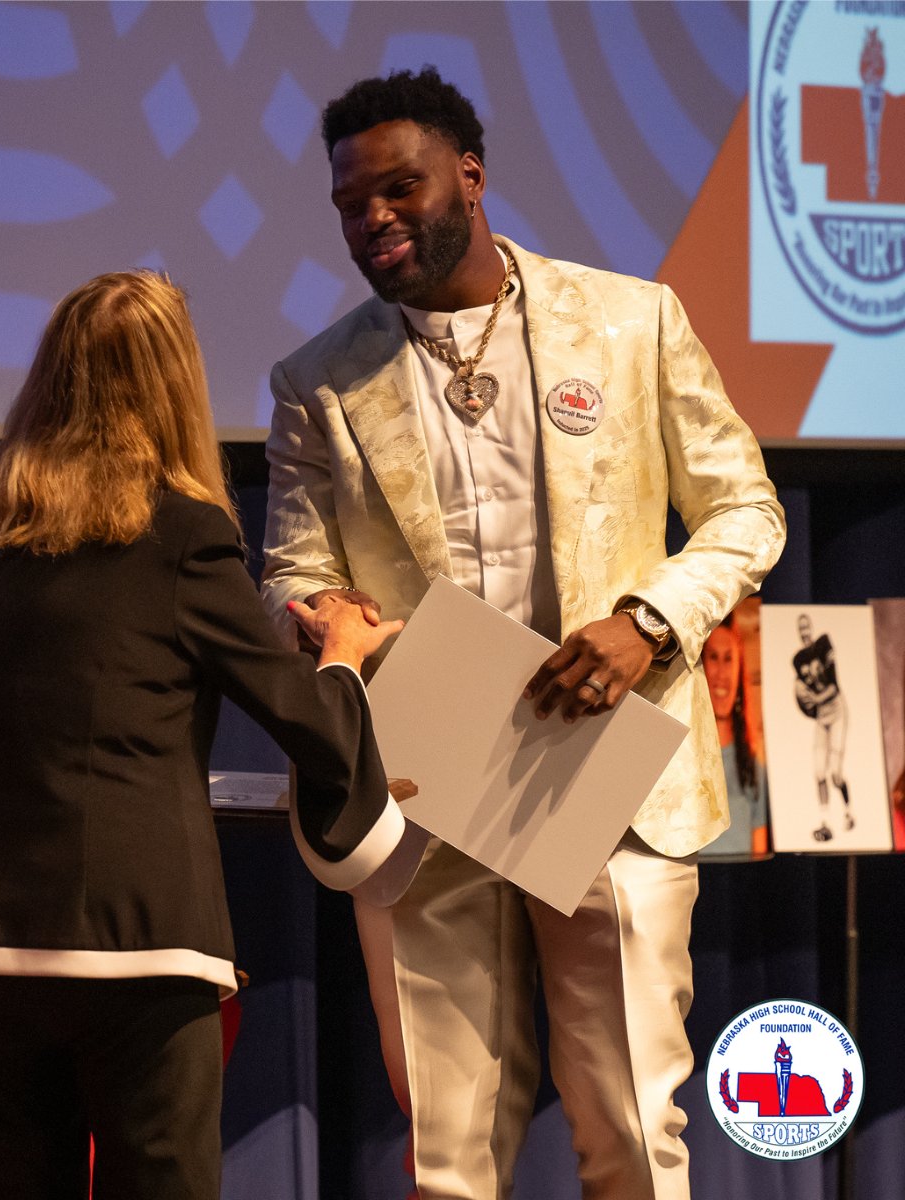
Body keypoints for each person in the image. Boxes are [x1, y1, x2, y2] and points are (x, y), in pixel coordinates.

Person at [261, 68, 786, 1199]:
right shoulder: (318, 380)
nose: (376, 219)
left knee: (633, 1133)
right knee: (449, 1155)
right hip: (427, 785)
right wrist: (317, 621)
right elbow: (295, 572)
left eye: (400, 188)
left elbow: (748, 509)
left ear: (472, 175)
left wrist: (648, 623)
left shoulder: (631, 321)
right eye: (352, 204)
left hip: (605, 772)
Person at [0, 271, 409, 1200]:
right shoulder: (184, 536)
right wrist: (343, 657)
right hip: (140, 950)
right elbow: (305, 718)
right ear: (177, 384)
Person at [699, 619, 769, 859]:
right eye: (713, 657)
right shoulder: (679, 763)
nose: (720, 673)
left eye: (729, 659)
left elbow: (758, 856)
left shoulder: (753, 769)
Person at [793, 613, 852, 841]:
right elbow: (804, 693)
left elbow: (834, 688)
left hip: (836, 711)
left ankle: (848, 811)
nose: (804, 631)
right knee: (819, 772)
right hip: (820, 716)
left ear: (812, 627)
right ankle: (825, 822)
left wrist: (815, 699)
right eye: (801, 628)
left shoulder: (824, 644)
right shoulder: (798, 660)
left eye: (806, 626)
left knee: (835, 774)